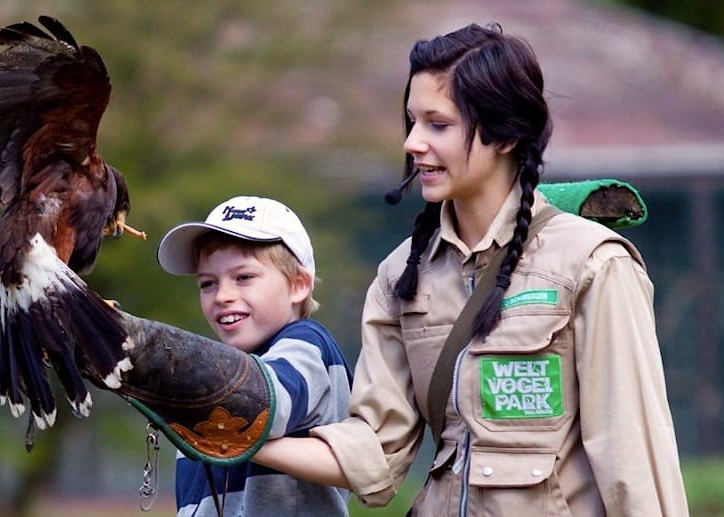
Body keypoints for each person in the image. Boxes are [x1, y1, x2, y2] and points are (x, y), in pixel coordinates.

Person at [252, 23, 689, 516]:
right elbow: (377, 452)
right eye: (412, 122)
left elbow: (634, 459)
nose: (414, 143)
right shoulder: (401, 277)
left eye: (438, 125)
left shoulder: (591, 264)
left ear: (503, 134)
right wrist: (231, 435)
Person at [155, 195, 354, 516]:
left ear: (298, 285)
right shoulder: (213, 383)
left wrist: (154, 366)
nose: (222, 296)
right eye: (207, 283)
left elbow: (262, 408)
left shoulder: (306, 343)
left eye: (244, 277)